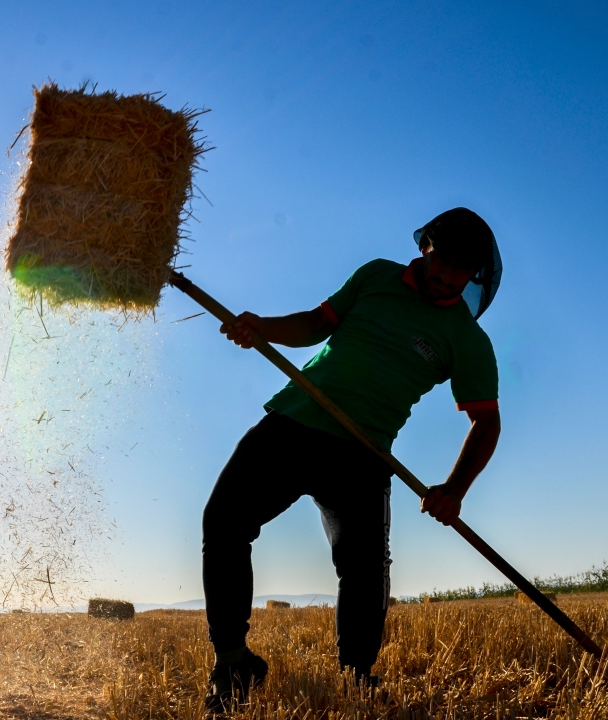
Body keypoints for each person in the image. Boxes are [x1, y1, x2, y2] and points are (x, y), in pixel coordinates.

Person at [201, 207, 502, 713]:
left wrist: (454, 490)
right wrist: (263, 328)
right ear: (426, 248)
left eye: (463, 269)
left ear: (475, 274)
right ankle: (233, 662)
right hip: (295, 421)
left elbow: (486, 422)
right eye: (444, 260)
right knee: (224, 521)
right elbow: (317, 324)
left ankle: (355, 680)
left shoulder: (468, 339)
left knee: (364, 571)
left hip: (363, 453)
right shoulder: (376, 275)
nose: (450, 276)